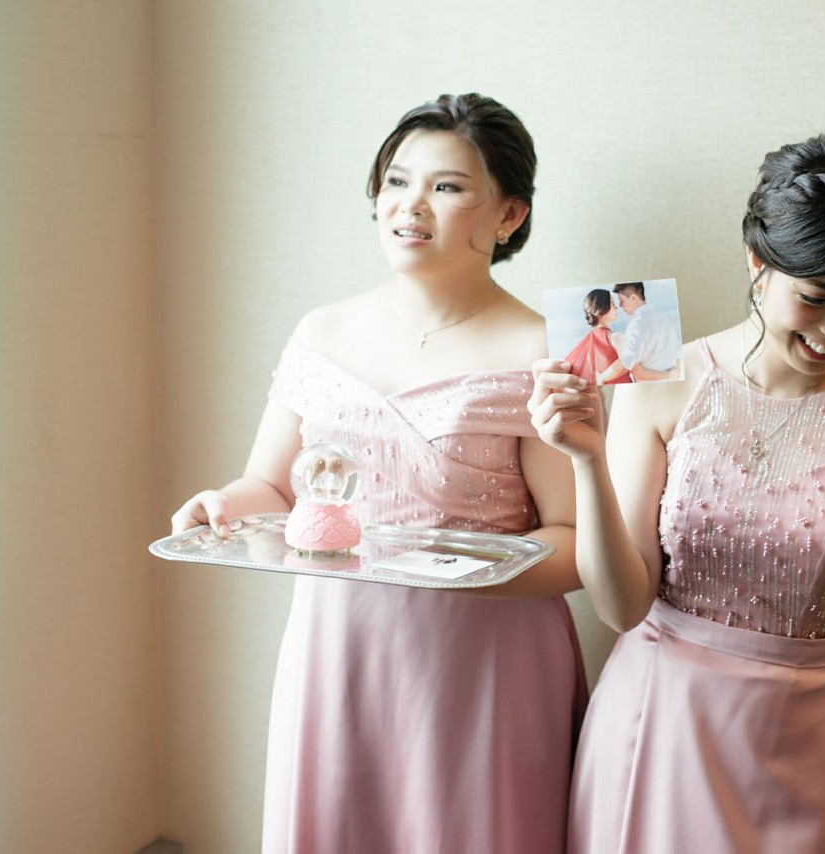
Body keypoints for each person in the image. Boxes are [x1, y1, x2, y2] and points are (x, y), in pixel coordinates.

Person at [171, 94, 586, 854]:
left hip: (482, 663)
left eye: (447, 186)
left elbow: (574, 543)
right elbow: (273, 489)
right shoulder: (322, 330)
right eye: (397, 181)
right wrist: (221, 505)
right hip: (339, 646)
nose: (410, 204)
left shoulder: (544, 350)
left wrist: (459, 575)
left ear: (509, 215)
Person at [530, 135, 825, 854]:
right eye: (816, 298)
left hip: (812, 745)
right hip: (658, 728)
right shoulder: (663, 382)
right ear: (757, 262)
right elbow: (623, 608)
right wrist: (588, 461)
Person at [595, 281, 683, 383]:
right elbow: (678, 355)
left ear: (633, 298)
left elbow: (625, 364)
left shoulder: (637, 325)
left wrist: (600, 378)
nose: (620, 305)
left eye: (621, 300)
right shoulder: (665, 320)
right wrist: (672, 375)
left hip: (650, 387)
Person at [565, 288, 632, 386]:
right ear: (602, 310)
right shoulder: (615, 338)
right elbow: (627, 362)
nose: (616, 308)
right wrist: (602, 378)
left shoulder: (586, 345)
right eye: (613, 304)